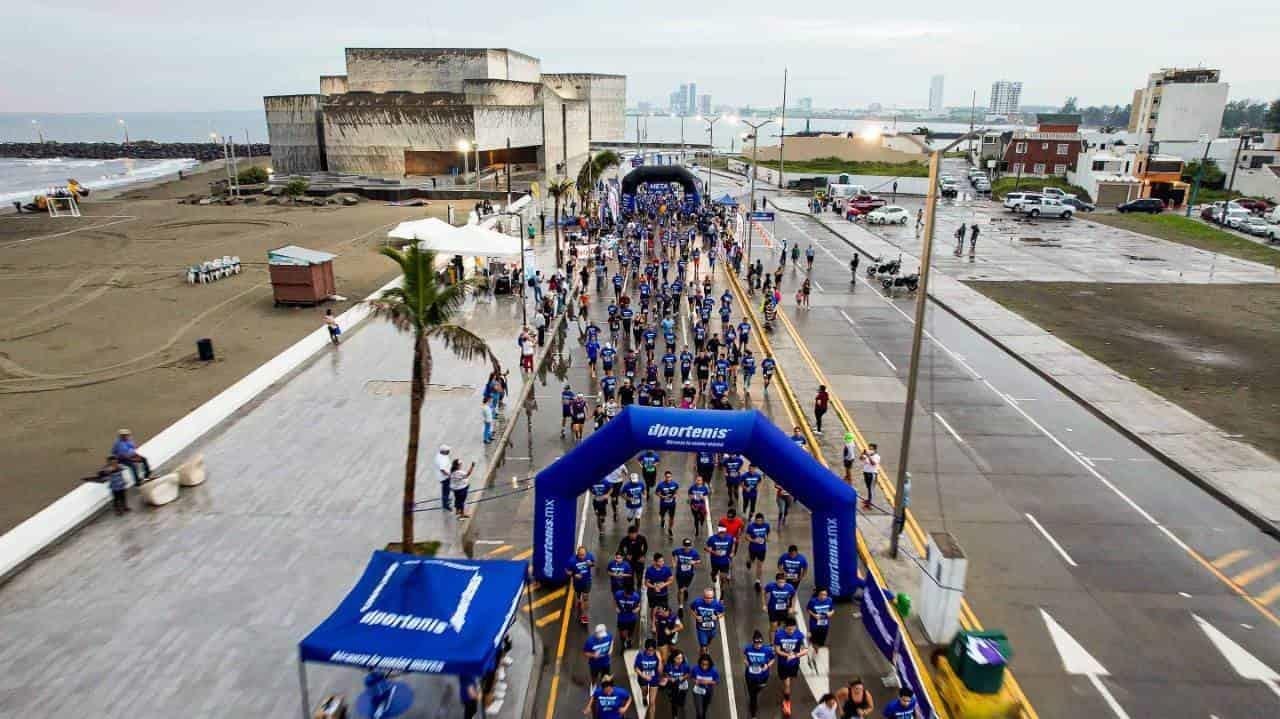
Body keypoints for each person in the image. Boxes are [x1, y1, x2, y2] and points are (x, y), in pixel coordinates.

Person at [774, 617, 808, 718]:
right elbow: (777, 650)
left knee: (790, 681)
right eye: (789, 629)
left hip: (794, 663)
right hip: (783, 664)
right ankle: (787, 702)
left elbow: (805, 650)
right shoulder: (779, 634)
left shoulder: (799, 635)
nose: (791, 631)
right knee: (787, 684)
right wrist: (786, 655)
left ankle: (786, 693)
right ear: (785, 627)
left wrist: (795, 655)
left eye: (793, 629)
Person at [743, 630, 776, 719]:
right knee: (752, 695)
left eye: (760, 643)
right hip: (750, 676)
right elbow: (745, 657)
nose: (758, 645)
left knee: (757, 691)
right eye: (756, 643)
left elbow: (773, 659)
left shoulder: (767, 650)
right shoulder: (748, 648)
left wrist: (767, 665)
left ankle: (753, 700)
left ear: (762, 641)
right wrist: (746, 662)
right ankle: (753, 715)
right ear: (753, 642)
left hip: (763, 677)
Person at [689, 588, 725, 656]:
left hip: (712, 629)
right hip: (701, 629)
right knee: (703, 647)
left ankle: (706, 646)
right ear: (703, 597)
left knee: (709, 641)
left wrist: (716, 617)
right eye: (707, 598)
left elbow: (723, 613)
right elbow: (691, 609)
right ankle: (703, 651)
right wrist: (696, 616)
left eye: (711, 598)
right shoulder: (697, 602)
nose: (709, 600)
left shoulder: (716, 604)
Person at [567, 546, 596, 624]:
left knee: (585, 598)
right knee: (578, 596)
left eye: (583, 555)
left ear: (586, 554)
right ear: (577, 553)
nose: (582, 557)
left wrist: (591, 564)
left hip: (587, 581)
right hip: (577, 583)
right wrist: (574, 575)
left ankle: (584, 616)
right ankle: (579, 602)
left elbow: (594, 563)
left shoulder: (590, 556)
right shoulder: (572, 560)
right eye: (580, 555)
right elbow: (567, 571)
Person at [634, 640, 662, 713]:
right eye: (649, 650)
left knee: (652, 702)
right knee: (645, 691)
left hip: (654, 679)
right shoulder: (640, 655)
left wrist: (660, 660)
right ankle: (644, 697)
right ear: (645, 649)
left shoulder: (657, 655)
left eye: (653, 650)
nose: (651, 652)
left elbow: (660, 671)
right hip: (643, 678)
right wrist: (643, 676)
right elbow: (636, 668)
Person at [672, 538, 701, 609]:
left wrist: (694, 562)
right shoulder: (678, 551)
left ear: (691, 546)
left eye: (688, 546)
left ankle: (685, 589)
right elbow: (673, 554)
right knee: (680, 590)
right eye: (685, 546)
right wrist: (674, 562)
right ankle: (680, 607)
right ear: (683, 545)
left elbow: (699, 560)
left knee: (684, 589)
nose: (687, 547)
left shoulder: (694, 553)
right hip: (679, 574)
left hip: (689, 575)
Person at [663, 649, 693, 718]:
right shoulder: (668, 666)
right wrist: (670, 678)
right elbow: (665, 673)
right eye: (678, 658)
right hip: (673, 685)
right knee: (674, 702)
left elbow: (689, 673)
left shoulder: (685, 666)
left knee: (681, 702)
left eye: (681, 658)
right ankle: (675, 715)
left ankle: (680, 705)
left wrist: (683, 677)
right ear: (673, 658)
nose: (680, 660)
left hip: (683, 685)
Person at [690, 654, 720, 719]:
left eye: (706, 665)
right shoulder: (695, 668)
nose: (704, 667)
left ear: (709, 664)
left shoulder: (713, 670)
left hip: (708, 691)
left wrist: (708, 682)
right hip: (698, 691)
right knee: (699, 711)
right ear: (700, 663)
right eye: (702, 664)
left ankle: (702, 715)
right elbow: (691, 677)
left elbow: (717, 681)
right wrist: (695, 681)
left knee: (705, 707)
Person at [614, 583, 642, 650]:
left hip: (631, 618)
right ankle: (623, 642)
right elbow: (615, 601)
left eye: (630, 594)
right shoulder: (618, 594)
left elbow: (639, 605)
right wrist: (616, 607)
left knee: (630, 632)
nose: (629, 596)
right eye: (627, 595)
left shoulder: (636, 596)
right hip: (621, 618)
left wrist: (637, 609)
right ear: (624, 591)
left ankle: (628, 639)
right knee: (622, 632)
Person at [656, 471, 680, 537]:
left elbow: (677, 489)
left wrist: (675, 494)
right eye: (667, 477)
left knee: (671, 518)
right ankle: (662, 520)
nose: (668, 478)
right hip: (663, 504)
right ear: (665, 477)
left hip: (672, 504)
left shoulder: (674, 484)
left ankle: (670, 529)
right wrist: (662, 496)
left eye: (669, 477)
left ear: (671, 477)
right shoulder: (661, 485)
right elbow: (657, 492)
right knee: (662, 516)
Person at [860, 444, 880, 510]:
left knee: (871, 489)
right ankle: (868, 500)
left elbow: (873, 463)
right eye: (869, 448)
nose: (869, 450)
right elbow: (861, 458)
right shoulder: (867, 455)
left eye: (871, 449)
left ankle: (870, 505)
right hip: (866, 473)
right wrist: (863, 453)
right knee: (868, 488)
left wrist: (868, 456)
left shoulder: (877, 456)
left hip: (872, 474)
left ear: (875, 450)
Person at [436, 444, 453, 512]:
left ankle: (446, 500)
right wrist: (449, 475)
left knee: (447, 489)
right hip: (444, 478)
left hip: (445, 477)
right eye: (447, 450)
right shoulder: (441, 459)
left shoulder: (442, 455)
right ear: (443, 451)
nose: (449, 451)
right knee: (445, 491)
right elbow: (442, 470)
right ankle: (445, 505)